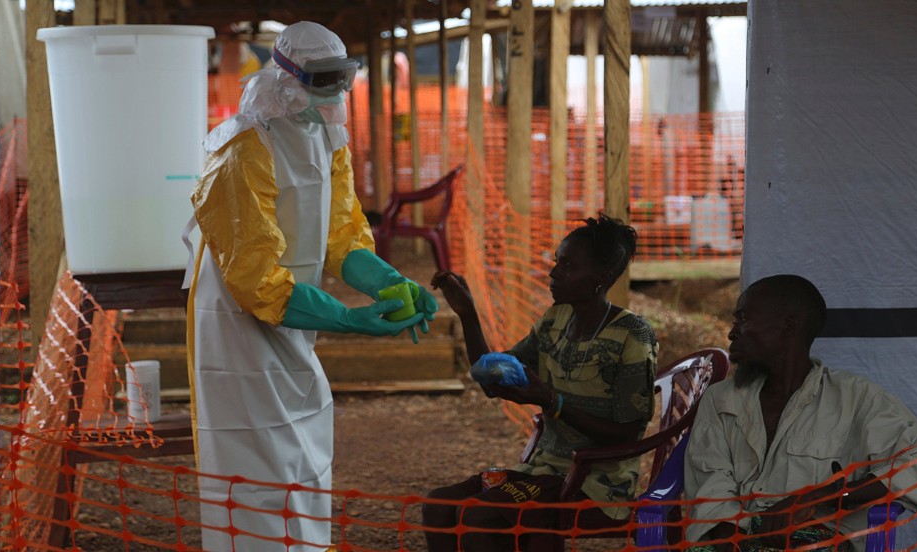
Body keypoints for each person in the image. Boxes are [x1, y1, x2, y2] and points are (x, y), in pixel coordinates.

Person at [186, 21, 437, 551]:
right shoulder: (241, 151)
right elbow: (257, 281)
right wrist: (348, 319)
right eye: (325, 79)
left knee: (303, 450)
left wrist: (391, 284)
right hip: (239, 321)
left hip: (296, 314)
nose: (336, 92)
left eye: (341, 78)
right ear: (286, 77)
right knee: (256, 462)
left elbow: (343, 234)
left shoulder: (326, 136)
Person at [422, 214, 659, 552]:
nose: (553, 273)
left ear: (601, 278)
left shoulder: (632, 335)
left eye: (568, 266)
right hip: (544, 470)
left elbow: (628, 433)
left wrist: (552, 401)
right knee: (439, 505)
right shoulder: (555, 319)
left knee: (479, 517)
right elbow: (493, 378)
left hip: (597, 483)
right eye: (557, 262)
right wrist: (468, 314)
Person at [684, 274, 917, 552]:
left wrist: (820, 497)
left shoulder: (856, 398)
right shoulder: (720, 400)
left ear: (789, 326)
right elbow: (711, 485)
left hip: (822, 540)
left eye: (743, 319)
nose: (733, 332)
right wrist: (733, 541)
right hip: (734, 540)